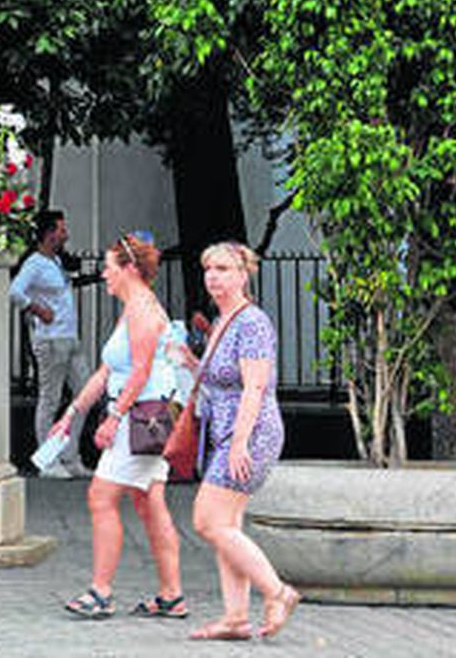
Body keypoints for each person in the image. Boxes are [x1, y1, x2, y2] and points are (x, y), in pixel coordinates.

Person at [49, 231, 187, 621]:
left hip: (141, 418)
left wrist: (113, 418)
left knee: (101, 497)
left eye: (108, 268)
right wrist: (72, 412)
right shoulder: (135, 306)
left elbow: (140, 372)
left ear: (128, 269)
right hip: (150, 417)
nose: (104, 275)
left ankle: (101, 592)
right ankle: (171, 595)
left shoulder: (142, 309)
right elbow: (109, 369)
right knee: (149, 503)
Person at [187, 241, 297, 641]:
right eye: (208, 268)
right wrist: (191, 363)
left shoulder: (251, 323)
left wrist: (239, 444)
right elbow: (222, 380)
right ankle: (235, 618)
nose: (213, 276)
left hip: (250, 433)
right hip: (227, 433)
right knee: (225, 525)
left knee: (206, 519)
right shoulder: (223, 322)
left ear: (243, 274)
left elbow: (254, 387)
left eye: (223, 269)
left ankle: (277, 591)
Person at [11, 210, 92, 479]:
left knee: (84, 394)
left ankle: (70, 456)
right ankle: (47, 461)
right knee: (50, 399)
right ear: (48, 234)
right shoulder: (34, 263)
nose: (65, 234)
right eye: (61, 229)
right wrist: (36, 308)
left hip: (69, 337)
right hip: (50, 340)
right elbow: (14, 291)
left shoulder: (55, 261)